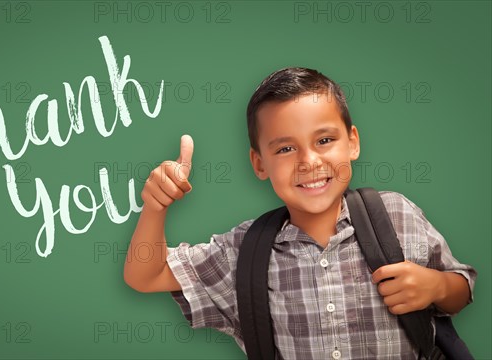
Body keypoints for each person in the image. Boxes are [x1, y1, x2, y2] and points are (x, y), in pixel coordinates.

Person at [123, 67, 477, 359]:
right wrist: (156, 206)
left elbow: (461, 287)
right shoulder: (243, 252)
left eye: (324, 140)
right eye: (286, 148)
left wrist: (437, 285)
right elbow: (146, 275)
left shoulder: (396, 214)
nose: (309, 162)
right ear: (259, 163)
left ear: (352, 141)